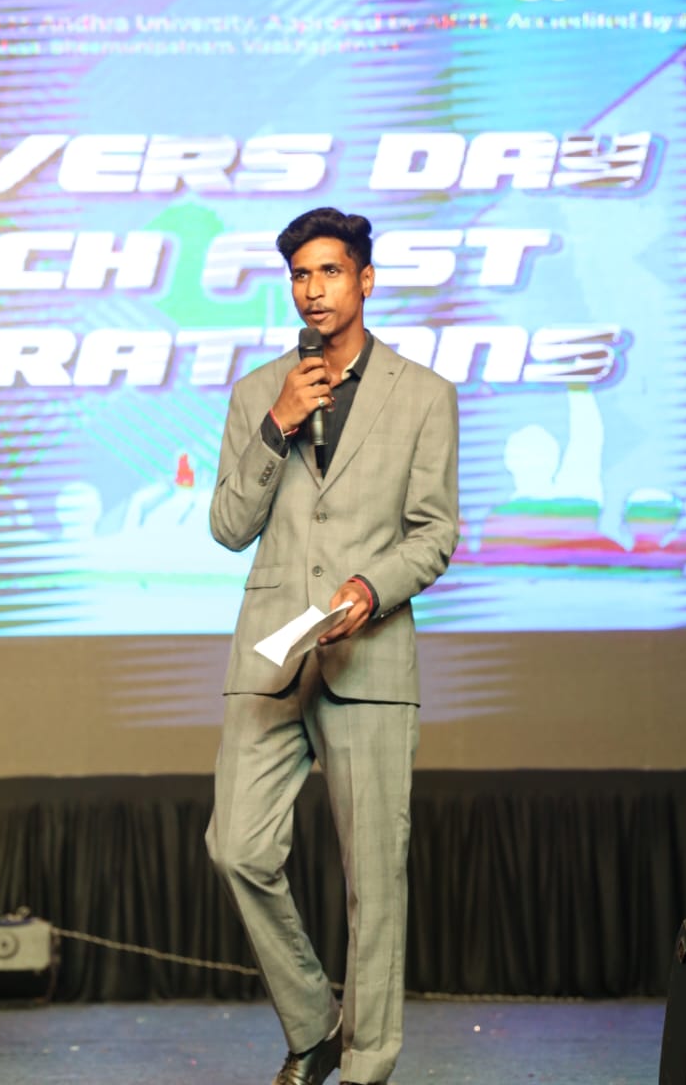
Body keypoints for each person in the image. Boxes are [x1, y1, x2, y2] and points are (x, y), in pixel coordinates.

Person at [206, 206, 459, 1085]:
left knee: (373, 881)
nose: (312, 290)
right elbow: (228, 525)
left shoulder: (423, 394)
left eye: (329, 271)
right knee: (236, 848)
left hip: (368, 655)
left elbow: (434, 532)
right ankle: (314, 1023)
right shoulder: (259, 392)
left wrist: (371, 588)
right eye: (299, 275)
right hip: (270, 655)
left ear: (364, 280)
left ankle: (365, 1067)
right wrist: (277, 424)